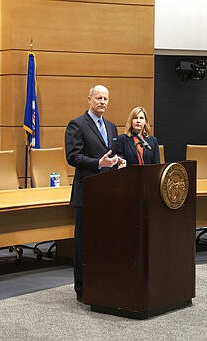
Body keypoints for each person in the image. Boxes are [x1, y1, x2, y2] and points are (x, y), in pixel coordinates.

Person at [65, 85, 126, 301]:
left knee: (104, 240)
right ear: (89, 99)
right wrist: (98, 163)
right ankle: (82, 288)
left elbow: (113, 154)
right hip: (87, 192)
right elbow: (72, 156)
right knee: (84, 243)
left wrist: (118, 162)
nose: (102, 102)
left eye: (106, 98)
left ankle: (102, 282)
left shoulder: (111, 127)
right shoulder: (77, 124)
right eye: (98, 98)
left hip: (107, 193)